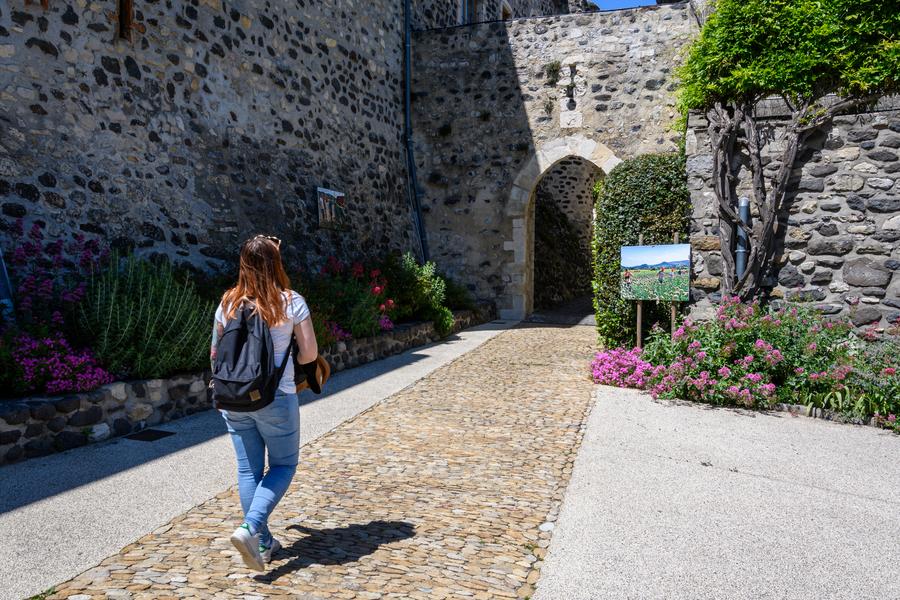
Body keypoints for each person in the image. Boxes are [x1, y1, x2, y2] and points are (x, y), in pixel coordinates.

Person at [210, 234, 319, 571]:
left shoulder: (228, 302)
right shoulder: (291, 301)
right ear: (277, 264)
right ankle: (250, 528)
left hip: (233, 398)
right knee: (283, 466)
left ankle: (263, 542)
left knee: (248, 470)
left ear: (243, 265)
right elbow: (309, 352)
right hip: (276, 396)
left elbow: (215, 353)